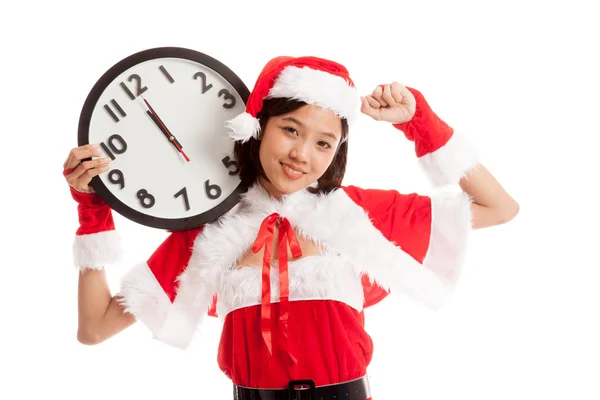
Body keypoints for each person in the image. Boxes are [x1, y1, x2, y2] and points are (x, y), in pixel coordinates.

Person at [63, 55, 519, 399]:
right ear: (258, 127)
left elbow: (499, 207)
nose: (302, 154)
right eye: (290, 129)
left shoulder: (359, 215)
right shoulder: (211, 231)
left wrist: (421, 121)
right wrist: (92, 212)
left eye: (324, 142)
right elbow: (95, 327)